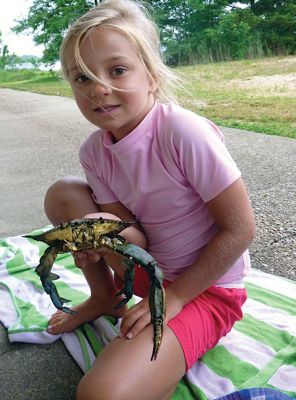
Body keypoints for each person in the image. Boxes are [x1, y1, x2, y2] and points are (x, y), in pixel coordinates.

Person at [44, 1, 256, 399]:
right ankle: (105, 296)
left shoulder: (181, 132)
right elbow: (136, 237)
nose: (98, 88)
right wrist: (100, 235)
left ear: (153, 76)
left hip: (207, 289)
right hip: (150, 271)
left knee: (100, 394)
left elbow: (241, 229)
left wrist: (175, 297)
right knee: (64, 195)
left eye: (117, 70)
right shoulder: (94, 151)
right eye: (82, 78)